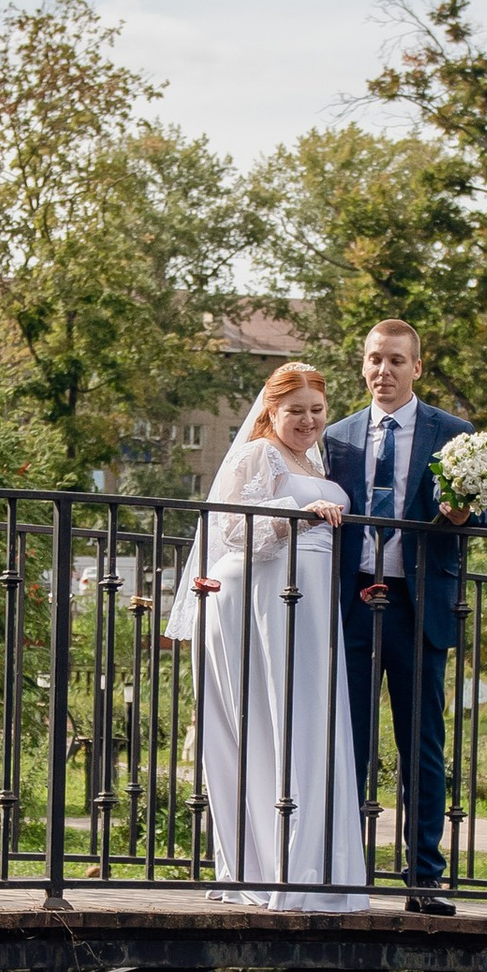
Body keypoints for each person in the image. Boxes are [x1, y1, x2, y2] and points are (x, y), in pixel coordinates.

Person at [163, 365, 367, 911]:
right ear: (271, 411)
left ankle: (312, 868)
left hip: (312, 600)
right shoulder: (259, 454)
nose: (308, 420)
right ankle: (272, 867)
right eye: (295, 410)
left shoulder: (316, 461)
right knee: (272, 722)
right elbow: (231, 528)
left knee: (310, 723)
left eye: (317, 410)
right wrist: (297, 515)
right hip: (266, 597)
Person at [321, 320, 487, 915]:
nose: (383, 371)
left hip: (418, 607)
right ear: (363, 365)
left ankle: (424, 878)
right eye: (374, 359)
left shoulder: (455, 434)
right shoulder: (336, 438)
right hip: (351, 603)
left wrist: (464, 513)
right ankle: (342, 873)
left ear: (417, 367)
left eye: (396, 360)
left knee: (422, 746)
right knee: (347, 742)